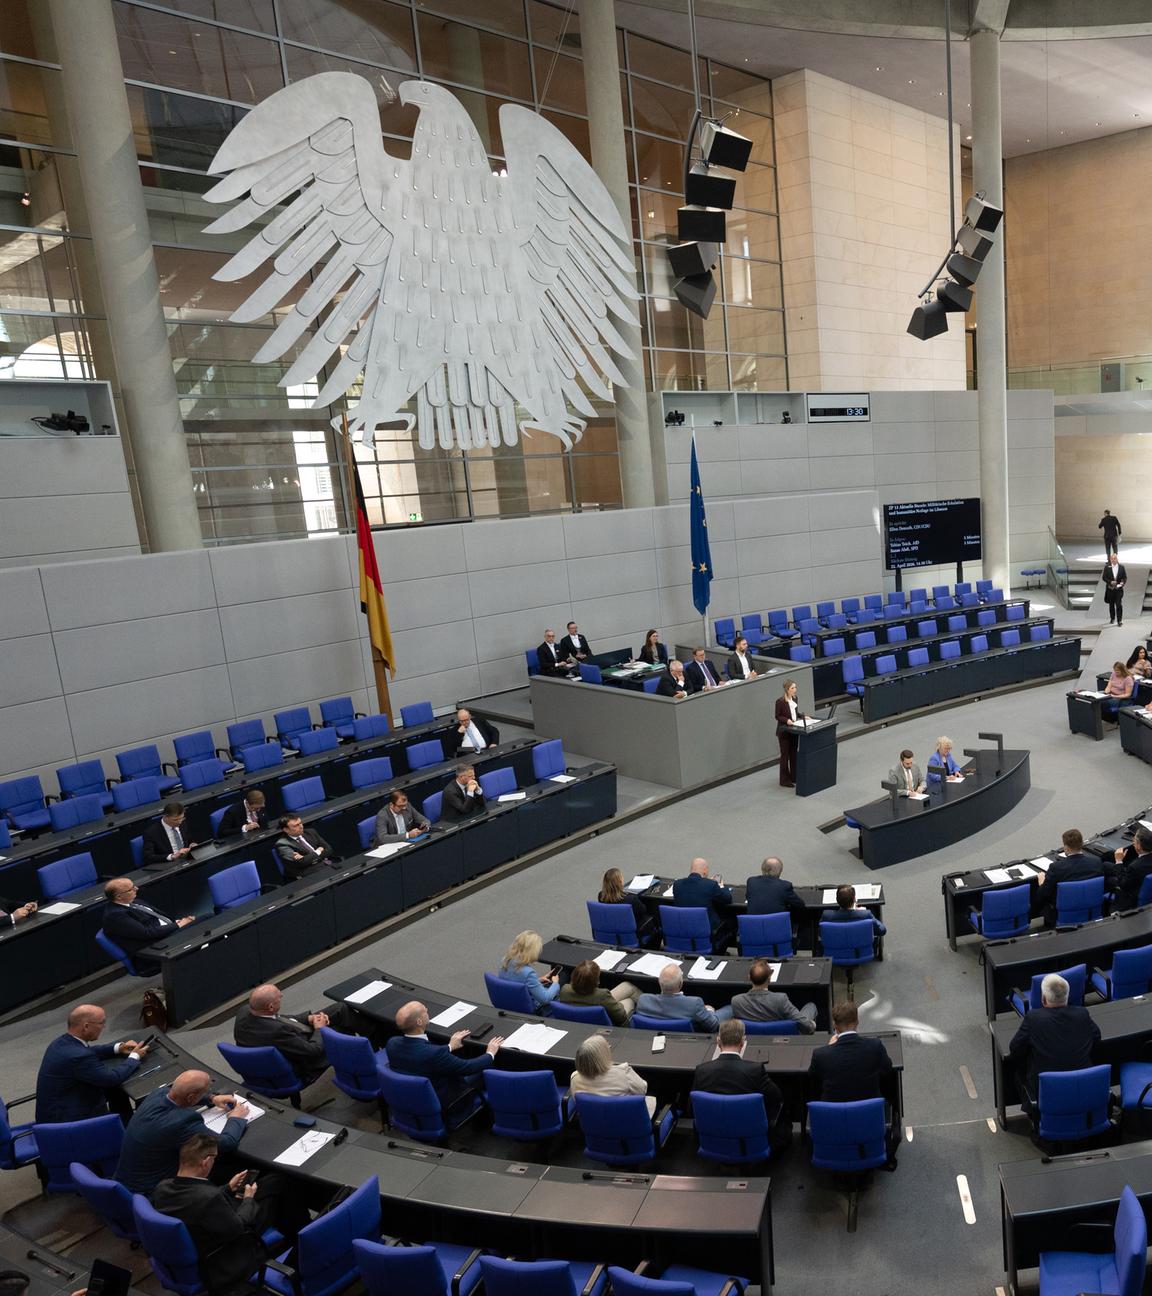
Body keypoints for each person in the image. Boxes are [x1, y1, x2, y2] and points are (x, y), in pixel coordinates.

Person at [151, 1133, 309, 1296]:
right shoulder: (209, 1197)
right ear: (206, 1162)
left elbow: (193, 1199)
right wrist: (248, 1199)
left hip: (202, 1231)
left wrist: (228, 1188)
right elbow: (240, 1226)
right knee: (283, 1185)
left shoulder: (163, 1187)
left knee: (275, 1180)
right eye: (214, 1158)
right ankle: (300, 1234)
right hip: (230, 1246)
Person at [115, 1070, 250, 1195]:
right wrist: (236, 1118)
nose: (208, 1092)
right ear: (191, 1097)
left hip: (126, 1179)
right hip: (151, 1192)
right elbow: (227, 1143)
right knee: (224, 1161)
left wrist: (211, 1099)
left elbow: (180, 1094)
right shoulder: (182, 1122)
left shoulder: (158, 1094)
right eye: (205, 1091)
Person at [35, 1003, 148, 1124]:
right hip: (67, 1123)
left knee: (116, 1092)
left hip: (57, 1109)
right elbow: (111, 1079)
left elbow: (88, 1051)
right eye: (101, 1023)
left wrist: (117, 1048)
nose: (103, 1027)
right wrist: (134, 1057)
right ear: (86, 1026)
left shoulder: (60, 1043)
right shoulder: (79, 1056)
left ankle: (126, 1127)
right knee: (114, 1087)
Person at [1008, 973, 1101, 1117]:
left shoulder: (1033, 1018)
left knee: (1018, 1073)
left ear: (1043, 999)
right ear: (1067, 996)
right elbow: (1096, 1038)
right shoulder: (1082, 1014)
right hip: (1081, 1086)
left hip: (1047, 1090)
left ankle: (1034, 1112)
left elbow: (1015, 1049)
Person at [386, 1000, 503, 1112]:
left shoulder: (392, 1043)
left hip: (413, 1098)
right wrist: (490, 1053)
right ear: (419, 1022)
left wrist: (449, 1046)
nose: (427, 1010)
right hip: (447, 1102)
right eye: (424, 1011)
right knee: (487, 1068)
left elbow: (420, 1052)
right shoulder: (434, 1054)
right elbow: (468, 1067)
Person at [233, 983, 356, 1087]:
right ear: (270, 1006)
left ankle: (373, 1035)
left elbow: (280, 1018)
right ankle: (360, 1068)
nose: (281, 996)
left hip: (290, 1043)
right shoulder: (277, 1031)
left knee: (340, 1009)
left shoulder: (246, 1011)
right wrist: (320, 1029)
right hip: (302, 1063)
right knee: (342, 1032)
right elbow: (313, 1050)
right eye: (279, 997)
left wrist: (309, 1018)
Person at [691, 1019, 789, 1148]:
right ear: (743, 1042)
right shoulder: (755, 1070)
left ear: (718, 1041)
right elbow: (777, 1098)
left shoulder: (701, 1070)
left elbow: (692, 1106)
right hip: (750, 1140)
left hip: (714, 1140)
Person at [102, 878, 194, 975]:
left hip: (166, 934)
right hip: (154, 951)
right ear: (119, 896)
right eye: (131, 889)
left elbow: (160, 918)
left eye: (134, 886)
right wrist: (178, 925)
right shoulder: (115, 915)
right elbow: (146, 933)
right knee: (205, 921)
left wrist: (175, 923)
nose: (136, 889)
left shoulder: (136, 902)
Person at [809, 1000, 894, 1101]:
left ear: (834, 1025)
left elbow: (813, 1080)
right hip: (868, 1114)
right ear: (857, 1021)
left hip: (833, 1115)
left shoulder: (820, 1055)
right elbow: (887, 1068)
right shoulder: (875, 1046)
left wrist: (829, 1048)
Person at [1034, 828, 1114, 926]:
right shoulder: (1096, 862)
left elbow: (1042, 895)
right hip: (1091, 914)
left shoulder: (1056, 868)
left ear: (1066, 848)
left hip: (1063, 918)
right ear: (1082, 844)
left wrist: (1041, 882)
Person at [568, 1034, 655, 1116]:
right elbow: (643, 1090)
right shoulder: (624, 1073)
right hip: (628, 1123)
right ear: (602, 1056)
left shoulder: (575, 1078)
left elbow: (577, 1102)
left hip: (595, 1125)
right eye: (608, 1047)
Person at [731, 959, 816, 1033]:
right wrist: (811, 1025)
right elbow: (804, 1024)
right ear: (769, 979)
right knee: (811, 1006)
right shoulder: (780, 999)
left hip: (751, 1039)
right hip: (783, 1039)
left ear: (749, 977)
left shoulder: (736, 1001)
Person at [635, 963, 727, 1032]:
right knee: (731, 1006)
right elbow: (713, 1026)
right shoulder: (694, 1004)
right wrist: (709, 1011)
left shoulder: (643, 1000)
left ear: (659, 982)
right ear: (681, 984)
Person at [672, 857, 734, 949]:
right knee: (731, 922)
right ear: (705, 872)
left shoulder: (677, 884)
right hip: (707, 934)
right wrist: (720, 886)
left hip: (683, 930)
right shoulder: (711, 885)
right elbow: (728, 899)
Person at [558, 959, 640, 1025]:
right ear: (597, 981)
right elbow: (621, 1017)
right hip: (611, 1022)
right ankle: (648, 1009)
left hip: (591, 1004)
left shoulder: (565, 989)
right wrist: (617, 1004)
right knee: (629, 1000)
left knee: (627, 986)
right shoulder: (603, 995)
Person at [495, 930, 560, 1009]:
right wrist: (555, 983)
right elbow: (545, 999)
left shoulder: (505, 961)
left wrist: (538, 980)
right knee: (557, 995)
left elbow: (514, 982)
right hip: (525, 1006)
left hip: (508, 1001)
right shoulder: (528, 973)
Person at [597, 866, 654, 939]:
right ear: (620, 882)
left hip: (611, 931)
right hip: (631, 935)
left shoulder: (601, 896)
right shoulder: (631, 899)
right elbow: (643, 910)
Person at [273, 814, 335, 880]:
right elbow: (300, 863)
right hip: (305, 874)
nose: (301, 827)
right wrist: (318, 851)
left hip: (324, 864)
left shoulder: (311, 832)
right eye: (296, 825)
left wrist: (306, 858)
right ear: (286, 830)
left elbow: (329, 849)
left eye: (300, 823)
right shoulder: (282, 844)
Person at [774, 679, 809, 788]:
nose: (795, 690)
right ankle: (784, 780)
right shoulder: (780, 701)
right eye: (792, 688)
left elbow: (795, 713)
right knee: (785, 756)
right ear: (787, 690)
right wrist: (786, 720)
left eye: (795, 687)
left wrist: (802, 716)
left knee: (793, 754)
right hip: (784, 731)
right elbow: (777, 716)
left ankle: (794, 776)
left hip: (794, 730)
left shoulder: (795, 698)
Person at [822, 885, 886, 943]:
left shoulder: (827, 916)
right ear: (854, 899)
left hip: (834, 954)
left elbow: (821, 934)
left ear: (837, 900)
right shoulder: (865, 915)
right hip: (862, 954)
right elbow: (882, 930)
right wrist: (862, 911)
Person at [141, 802, 198, 867]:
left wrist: (192, 844)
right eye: (175, 820)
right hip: (170, 865)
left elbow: (189, 839)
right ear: (165, 816)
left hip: (188, 859)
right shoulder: (151, 832)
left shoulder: (182, 822)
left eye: (182, 818)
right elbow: (148, 857)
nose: (179, 822)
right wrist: (172, 856)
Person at [1114, 825, 1152, 910]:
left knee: (1110, 879)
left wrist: (1119, 861)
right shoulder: (1137, 865)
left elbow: (1123, 885)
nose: (1133, 841)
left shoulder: (1134, 867)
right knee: (1107, 866)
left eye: (1134, 840)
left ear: (1138, 846)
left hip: (1132, 898)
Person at [1102, 550, 1127, 626]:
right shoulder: (1107, 567)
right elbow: (1104, 577)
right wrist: (1110, 582)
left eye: (1115, 558)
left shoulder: (1122, 567)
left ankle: (1119, 620)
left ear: (1117, 559)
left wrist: (1122, 583)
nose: (1113, 560)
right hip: (1110, 590)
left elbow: (1125, 577)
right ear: (1110, 559)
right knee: (1111, 605)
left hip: (1118, 589)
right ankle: (1112, 618)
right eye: (1112, 559)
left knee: (1119, 605)